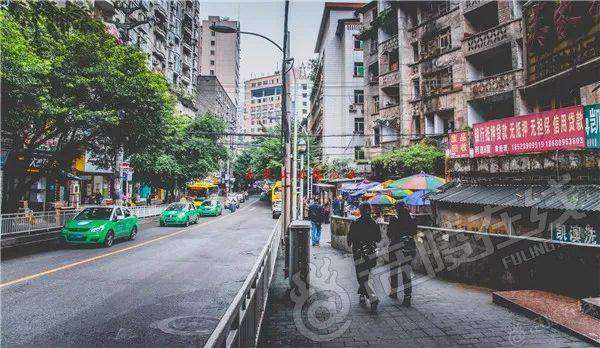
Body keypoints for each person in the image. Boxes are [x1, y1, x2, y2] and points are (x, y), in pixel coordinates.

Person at [347, 202, 381, 313]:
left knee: (362, 277)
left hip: (359, 253)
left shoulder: (355, 223)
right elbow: (378, 239)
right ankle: (362, 295)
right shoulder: (374, 223)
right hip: (371, 253)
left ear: (360, 211)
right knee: (365, 275)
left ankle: (373, 298)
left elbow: (349, 239)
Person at [387, 201, 418, 306]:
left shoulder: (394, 220)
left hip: (395, 248)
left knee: (394, 270)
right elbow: (414, 232)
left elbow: (389, 234)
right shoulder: (411, 219)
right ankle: (407, 296)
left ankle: (394, 291)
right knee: (406, 272)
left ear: (397, 209)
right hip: (408, 248)